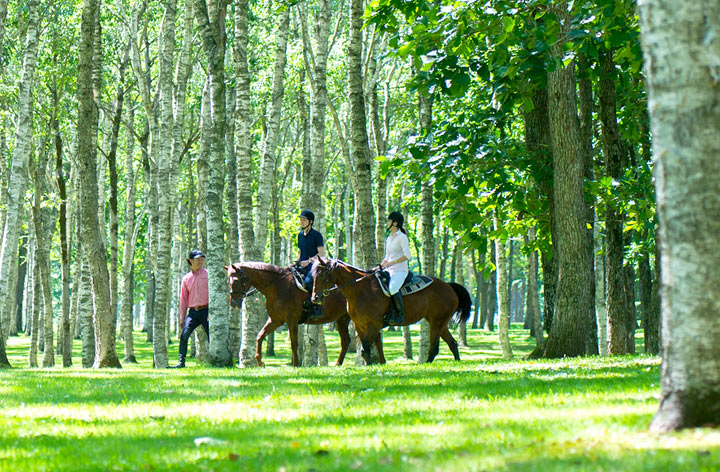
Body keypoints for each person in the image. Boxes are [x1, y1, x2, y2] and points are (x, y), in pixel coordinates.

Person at [169, 249, 209, 368]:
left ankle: (216, 360)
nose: (200, 261)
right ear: (191, 261)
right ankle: (181, 363)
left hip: (206, 311)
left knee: (212, 335)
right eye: (197, 259)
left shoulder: (207, 274)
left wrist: (212, 312)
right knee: (184, 335)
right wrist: (182, 318)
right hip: (193, 313)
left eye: (202, 259)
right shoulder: (186, 278)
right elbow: (183, 299)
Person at [380, 211, 412, 325]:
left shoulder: (402, 237)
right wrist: (381, 265)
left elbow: (407, 255)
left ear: (395, 223)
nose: (387, 223)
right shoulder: (389, 238)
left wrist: (392, 262)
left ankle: (400, 315)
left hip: (400, 270)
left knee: (393, 289)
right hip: (389, 269)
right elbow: (387, 257)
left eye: (389, 220)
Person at [296, 209, 325, 318]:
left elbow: (321, 254)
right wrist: (296, 262)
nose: (301, 222)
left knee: (309, 281)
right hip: (302, 265)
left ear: (311, 222)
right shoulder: (300, 235)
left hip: (314, 266)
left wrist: (308, 261)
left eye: (304, 220)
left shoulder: (317, 235)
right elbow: (301, 252)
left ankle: (316, 308)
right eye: (300, 220)